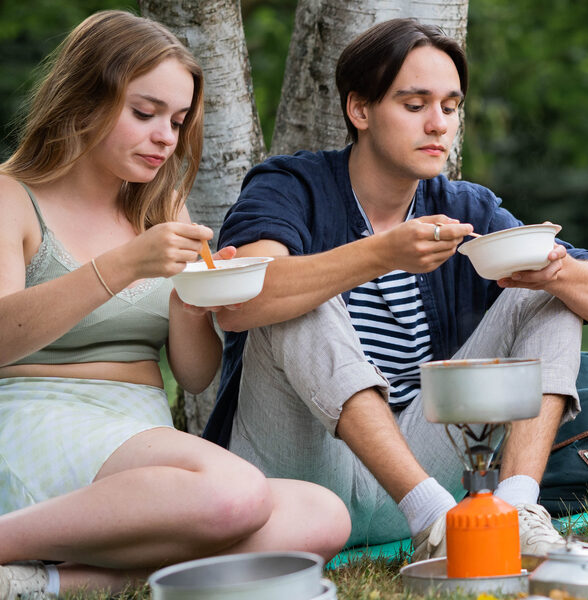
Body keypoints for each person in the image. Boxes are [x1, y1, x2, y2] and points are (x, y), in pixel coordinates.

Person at [204, 18, 588, 559]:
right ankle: (436, 525)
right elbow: (241, 303)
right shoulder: (291, 186)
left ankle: (519, 509)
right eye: (415, 106)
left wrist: (550, 271)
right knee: (297, 300)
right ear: (359, 110)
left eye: (450, 107)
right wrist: (381, 254)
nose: (438, 125)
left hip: (417, 465)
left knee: (552, 291)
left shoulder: (464, 208)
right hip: (297, 473)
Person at [0, 11, 350, 599]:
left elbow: (194, 376)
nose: (166, 136)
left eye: (178, 120)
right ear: (84, 99)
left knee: (319, 515)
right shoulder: (13, 198)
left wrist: (195, 302)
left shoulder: (161, 209)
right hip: (36, 417)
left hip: (139, 429)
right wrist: (124, 265)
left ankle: (49, 582)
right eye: (145, 113)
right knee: (233, 494)